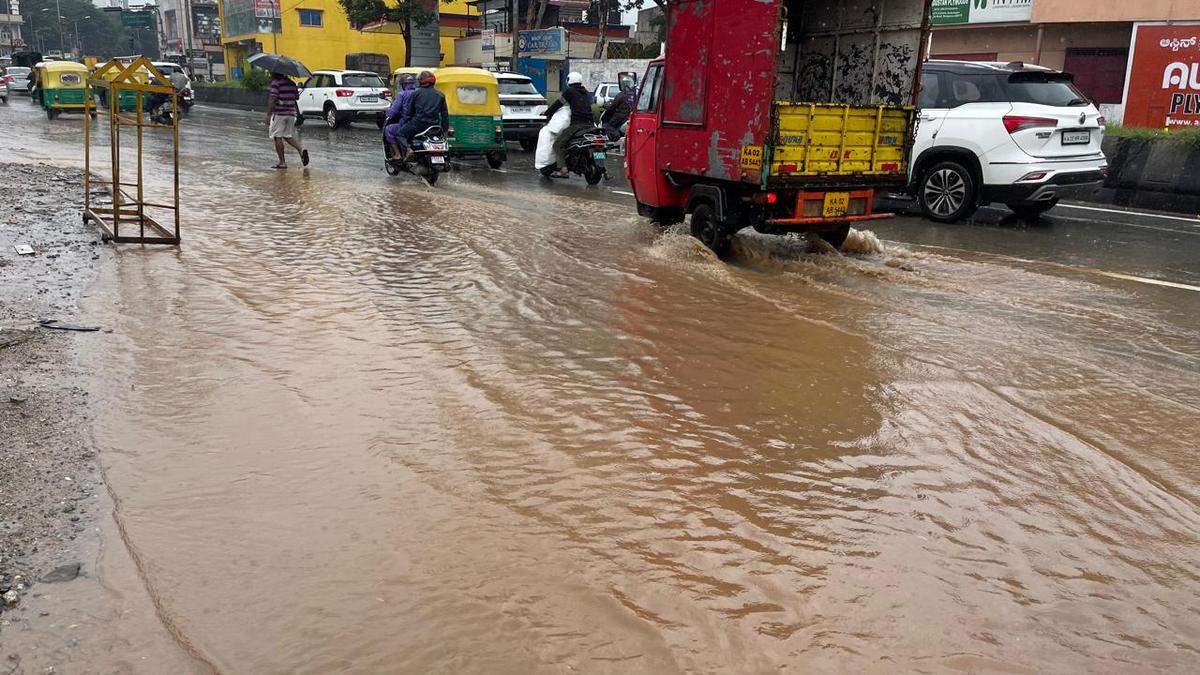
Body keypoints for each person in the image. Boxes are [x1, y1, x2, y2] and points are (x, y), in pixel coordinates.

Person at [539, 72, 593, 177]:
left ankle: (563, 170)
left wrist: (547, 113)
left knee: (558, 145)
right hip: (590, 124)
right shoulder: (586, 92)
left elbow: (558, 103)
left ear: (569, 80)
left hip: (577, 125)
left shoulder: (570, 92)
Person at [399, 70, 449, 162]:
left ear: (421, 81)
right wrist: (443, 130)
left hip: (418, 125)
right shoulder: (441, 95)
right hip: (434, 127)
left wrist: (406, 121)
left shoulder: (416, 93)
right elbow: (445, 115)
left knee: (400, 134)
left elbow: (409, 112)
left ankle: (408, 150)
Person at [265, 71, 309, 170]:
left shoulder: (276, 83)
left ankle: (282, 162)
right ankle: (301, 150)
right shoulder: (292, 83)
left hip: (280, 114)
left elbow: (273, 98)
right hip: (291, 114)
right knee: (287, 136)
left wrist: (268, 114)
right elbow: (296, 97)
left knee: (277, 137)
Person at [384, 73, 418, 161]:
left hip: (406, 123)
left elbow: (393, 111)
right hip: (421, 124)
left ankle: (397, 154)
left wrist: (388, 113)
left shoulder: (402, 94)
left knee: (389, 130)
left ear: (403, 84)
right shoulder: (419, 93)